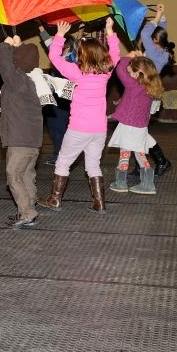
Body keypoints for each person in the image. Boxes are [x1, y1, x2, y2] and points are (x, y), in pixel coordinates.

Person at [38, 18, 120, 214]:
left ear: (83, 55)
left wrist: (58, 35)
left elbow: (55, 58)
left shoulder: (76, 73)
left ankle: (55, 200)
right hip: (99, 130)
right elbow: (115, 54)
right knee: (93, 165)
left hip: (78, 129)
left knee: (63, 161)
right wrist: (110, 31)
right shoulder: (106, 73)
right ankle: (99, 203)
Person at [0, 35, 43, 229]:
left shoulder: (18, 80)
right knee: (26, 175)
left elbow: (5, 66)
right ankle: (29, 205)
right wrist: (19, 46)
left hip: (19, 140)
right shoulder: (33, 79)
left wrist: (5, 46)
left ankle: (27, 213)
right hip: (32, 140)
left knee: (13, 174)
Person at [108, 52, 164, 195]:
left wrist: (129, 56)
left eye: (130, 71)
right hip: (141, 127)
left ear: (139, 73)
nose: (128, 73)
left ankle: (121, 183)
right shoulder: (149, 87)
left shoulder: (134, 86)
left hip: (129, 126)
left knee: (125, 153)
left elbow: (120, 69)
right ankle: (147, 183)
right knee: (139, 153)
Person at [138, 3, 175, 177]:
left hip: (144, 94)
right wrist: (163, 17)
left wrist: (158, 15)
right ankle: (141, 166)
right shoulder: (164, 51)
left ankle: (161, 161)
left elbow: (146, 33)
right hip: (151, 93)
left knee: (138, 130)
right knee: (138, 130)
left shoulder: (152, 51)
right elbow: (160, 33)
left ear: (154, 41)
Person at [38, 23, 76, 165]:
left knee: (58, 128)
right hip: (59, 97)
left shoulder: (69, 60)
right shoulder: (63, 55)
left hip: (64, 99)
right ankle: (60, 152)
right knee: (56, 127)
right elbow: (48, 41)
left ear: (67, 46)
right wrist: (40, 26)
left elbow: (50, 44)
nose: (55, 44)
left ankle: (62, 155)